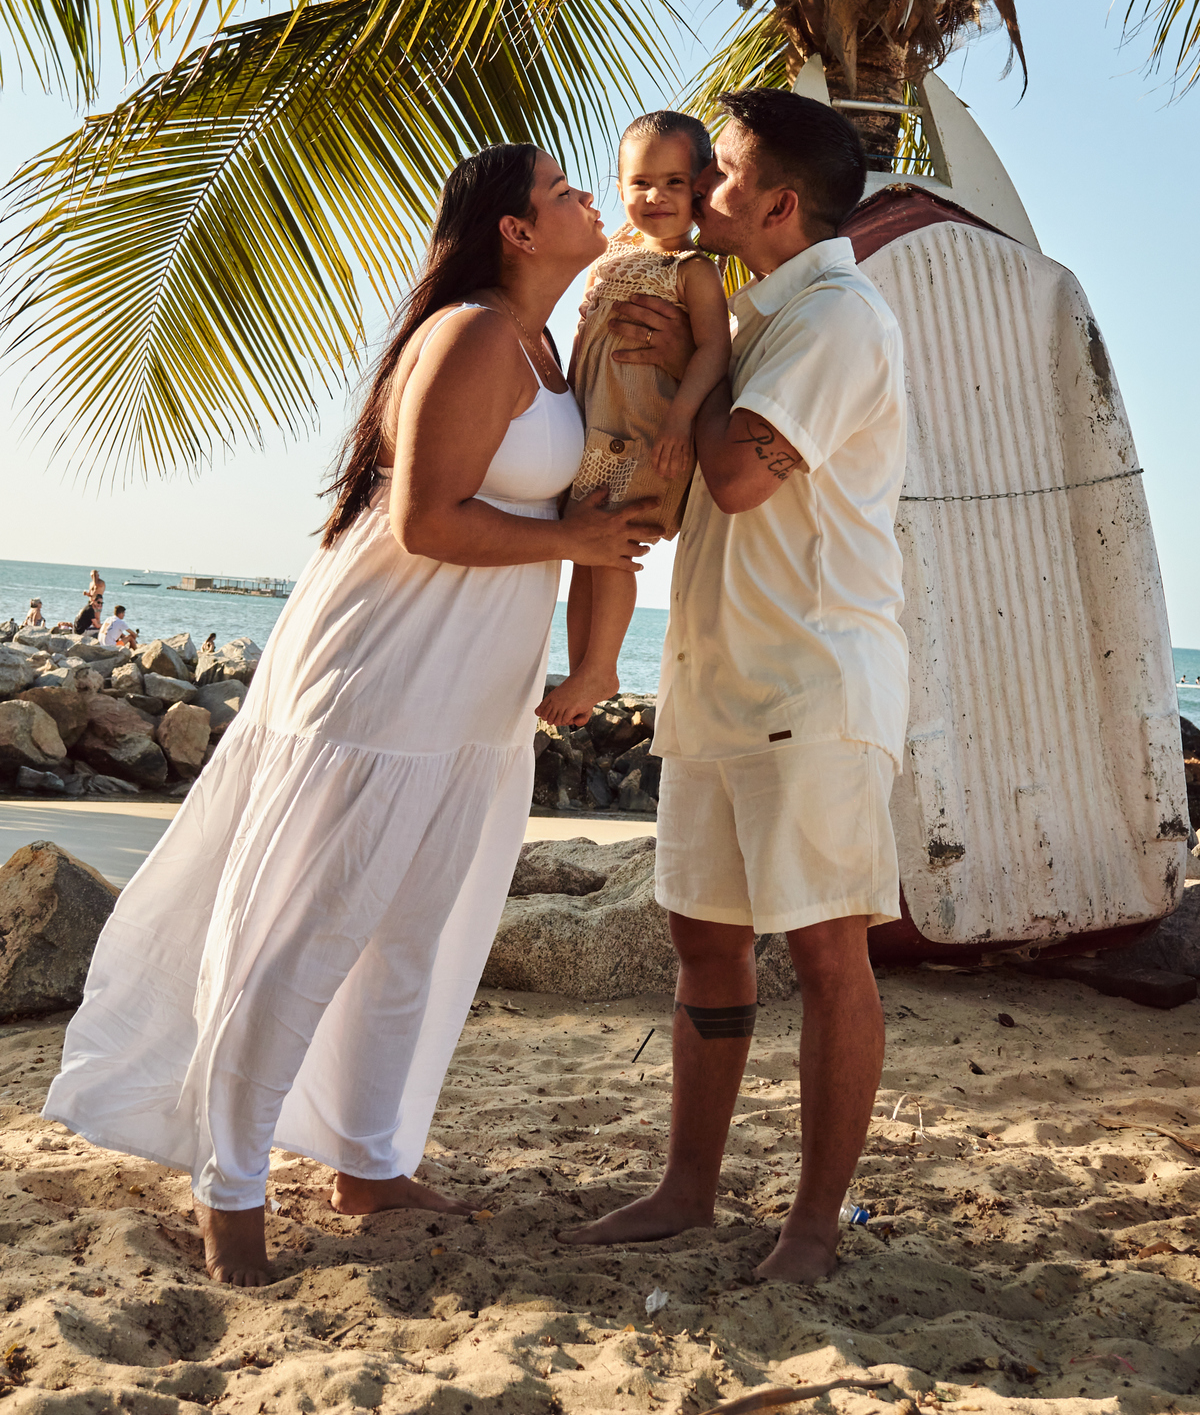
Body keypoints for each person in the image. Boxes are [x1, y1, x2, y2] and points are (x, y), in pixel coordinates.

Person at [44, 144, 661, 1289]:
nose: (592, 201)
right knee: (305, 931)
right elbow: (427, 520)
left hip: (467, 692)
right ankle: (231, 1188)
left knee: (417, 934)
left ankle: (369, 1159)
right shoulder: (474, 332)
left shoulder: (547, 346)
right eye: (569, 191)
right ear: (517, 231)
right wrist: (573, 541)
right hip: (379, 677)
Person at [564, 89, 908, 1286]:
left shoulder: (838, 319)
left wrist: (693, 379)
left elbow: (742, 474)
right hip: (714, 676)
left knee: (826, 954)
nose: (697, 190)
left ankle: (815, 1224)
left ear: (776, 203)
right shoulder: (751, 309)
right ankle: (687, 1187)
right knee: (702, 944)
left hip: (814, 681)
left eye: (721, 176)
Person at [537, 112, 731, 728]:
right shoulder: (615, 248)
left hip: (645, 434)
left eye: (675, 184)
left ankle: (602, 667)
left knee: (612, 550)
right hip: (595, 430)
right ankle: (580, 669)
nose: (657, 197)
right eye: (641, 182)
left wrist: (679, 422)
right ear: (619, 187)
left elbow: (713, 351)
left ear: (700, 190)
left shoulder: (693, 270)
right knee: (582, 550)